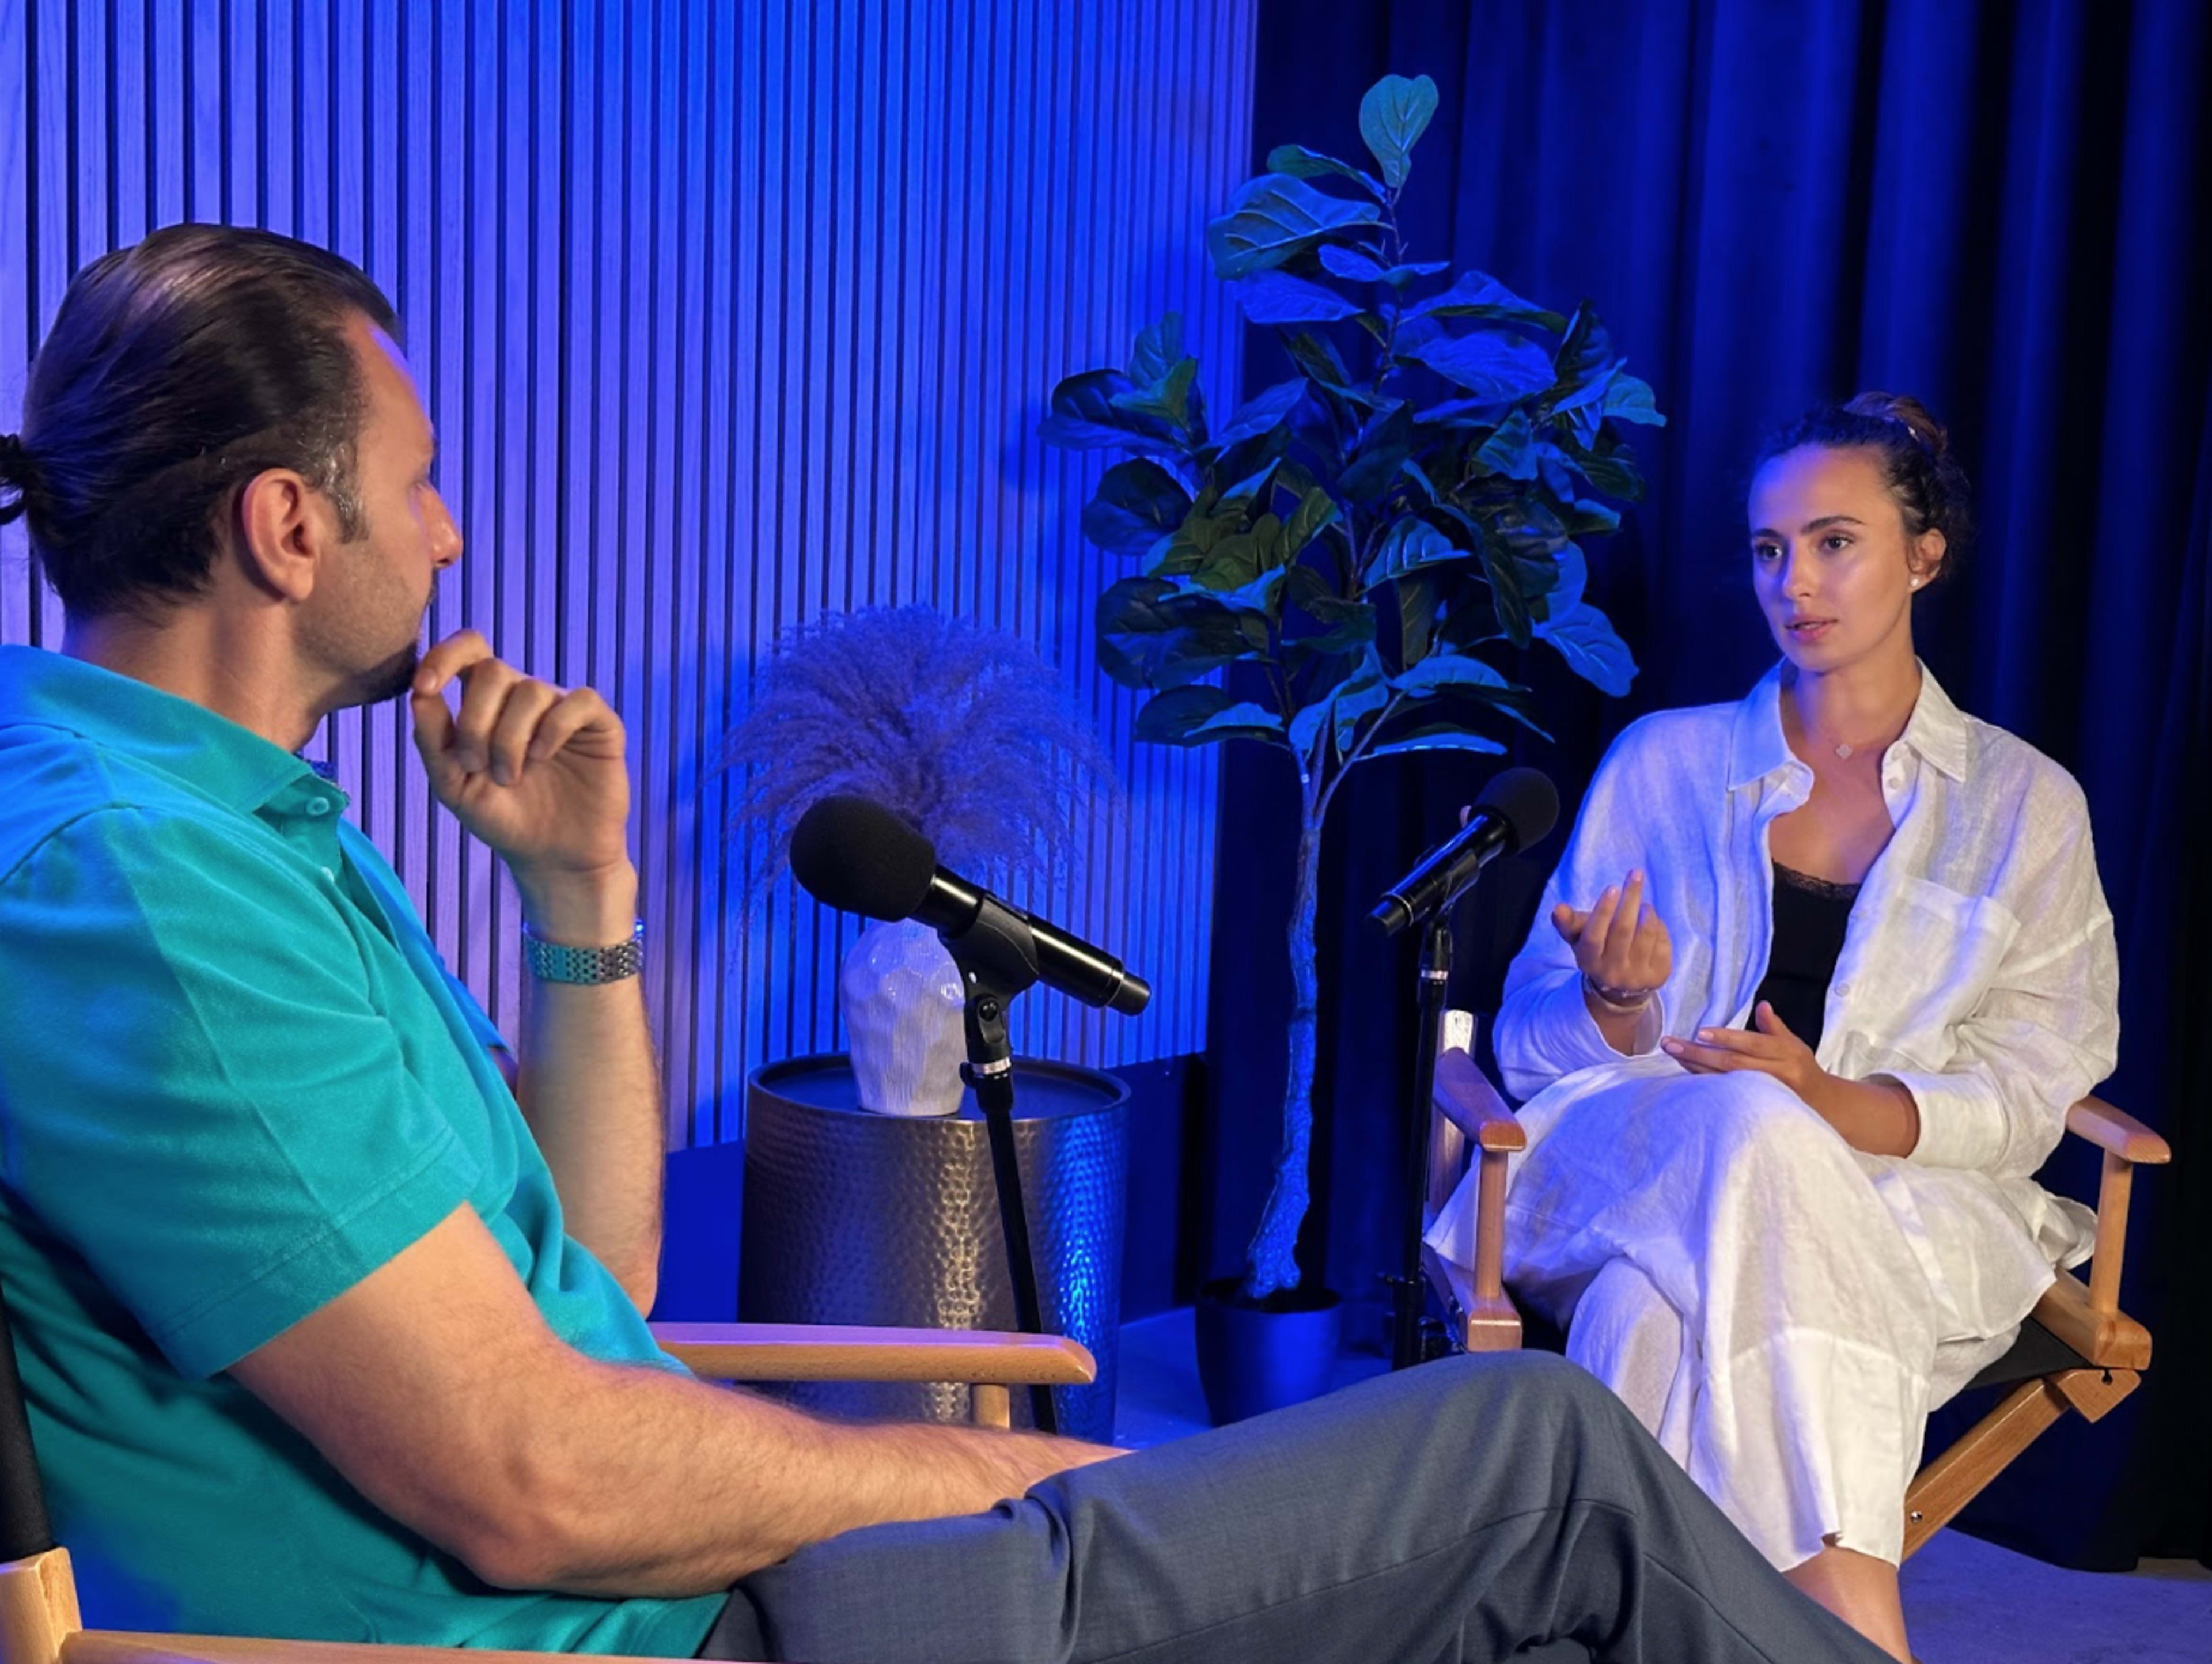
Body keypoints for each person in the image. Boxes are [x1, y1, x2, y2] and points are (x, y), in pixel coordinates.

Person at [0, 223, 1889, 1664]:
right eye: (417, 482)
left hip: (696, 1581)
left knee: (1505, 1564)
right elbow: (530, 1480)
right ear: (287, 525)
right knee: (1539, 1464)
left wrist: (582, 908)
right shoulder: (153, 893)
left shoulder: (223, 825)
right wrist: (967, 1469)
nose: (458, 532)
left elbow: (596, 1275)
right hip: (683, 1635)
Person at [1427, 392, 2119, 1661]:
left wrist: (1835, 1103)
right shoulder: (1663, 763)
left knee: (1644, 1321)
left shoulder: (2029, 805)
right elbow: (1531, 1043)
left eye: (1834, 541)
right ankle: (1856, 1615)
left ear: (1925, 551)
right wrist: (1616, 1004)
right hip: (1633, 1161)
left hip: (1901, 1202)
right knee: (1742, 1115)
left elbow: (2042, 1069)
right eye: (1767, 547)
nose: (1792, 581)